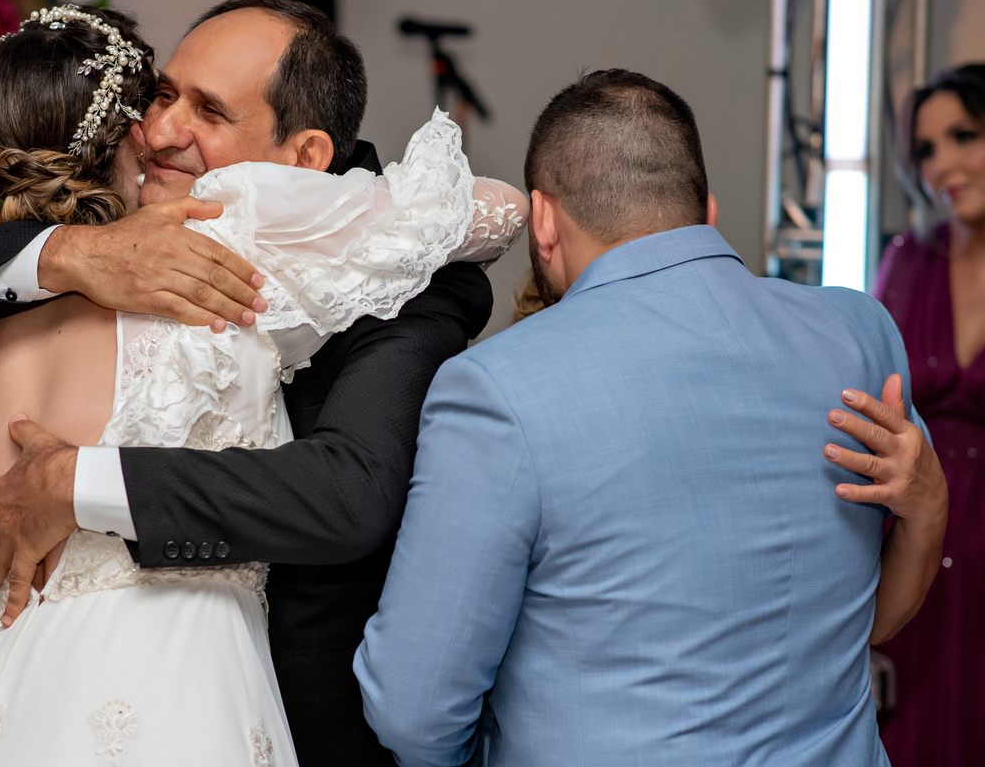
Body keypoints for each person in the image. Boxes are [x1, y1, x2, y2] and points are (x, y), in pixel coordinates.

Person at [0, 0, 498, 763]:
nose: (163, 131)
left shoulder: (379, 271)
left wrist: (78, 483)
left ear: (307, 156)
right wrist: (71, 254)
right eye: (163, 95)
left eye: (209, 110)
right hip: (171, 702)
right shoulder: (105, 261)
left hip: (249, 714)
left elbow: (347, 492)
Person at [354, 69, 948, 766]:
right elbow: (857, 627)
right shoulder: (857, 333)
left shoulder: (495, 389)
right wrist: (932, 509)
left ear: (542, 220)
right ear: (705, 211)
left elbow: (414, 712)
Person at [872, 62, 985, 766]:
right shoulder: (907, 261)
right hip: (918, 547)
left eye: (963, 136)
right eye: (925, 149)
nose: (941, 165)